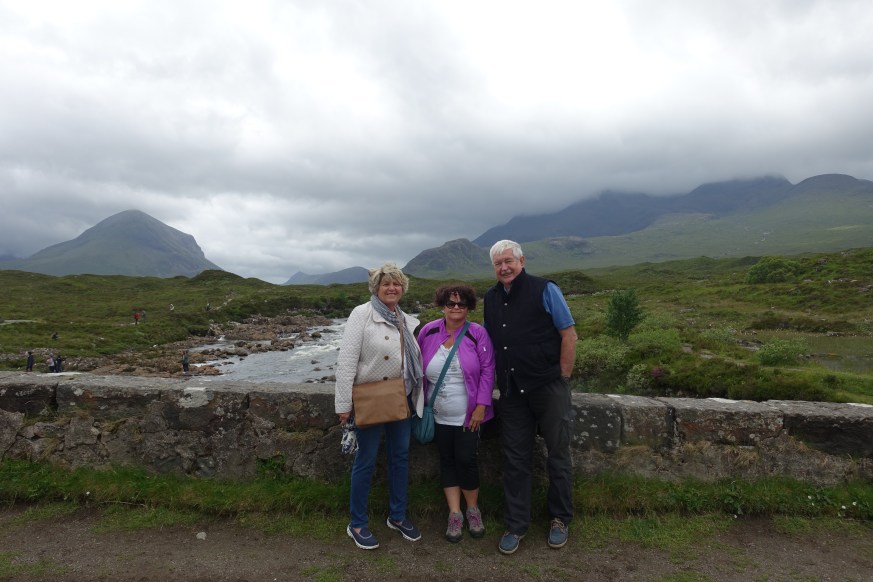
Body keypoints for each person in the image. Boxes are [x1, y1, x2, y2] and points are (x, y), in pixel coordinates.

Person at [483, 240, 578, 555]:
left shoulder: (545, 289)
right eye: (498, 264)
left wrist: (563, 378)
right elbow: (491, 342)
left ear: (521, 260)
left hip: (548, 387)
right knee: (515, 459)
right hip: (512, 392)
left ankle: (560, 519)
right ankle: (516, 525)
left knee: (558, 455)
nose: (504, 268)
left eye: (508, 261)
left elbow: (569, 334)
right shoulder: (491, 297)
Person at [335, 263, 424, 550]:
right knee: (366, 460)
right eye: (386, 283)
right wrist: (343, 404)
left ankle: (397, 516)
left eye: (396, 283)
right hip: (371, 399)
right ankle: (357, 523)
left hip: (400, 398)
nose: (392, 288)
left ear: (403, 288)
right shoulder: (361, 314)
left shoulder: (405, 319)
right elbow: (347, 360)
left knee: (400, 458)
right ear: (376, 288)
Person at [416, 284, 495, 543]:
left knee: (466, 459)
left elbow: (488, 370)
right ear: (443, 305)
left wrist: (481, 406)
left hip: (468, 414)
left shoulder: (477, 333)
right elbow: (416, 366)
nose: (456, 308)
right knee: (447, 460)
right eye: (451, 303)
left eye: (462, 304)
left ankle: (473, 510)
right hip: (437, 414)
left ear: (469, 307)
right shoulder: (428, 331)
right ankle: (454, 513)